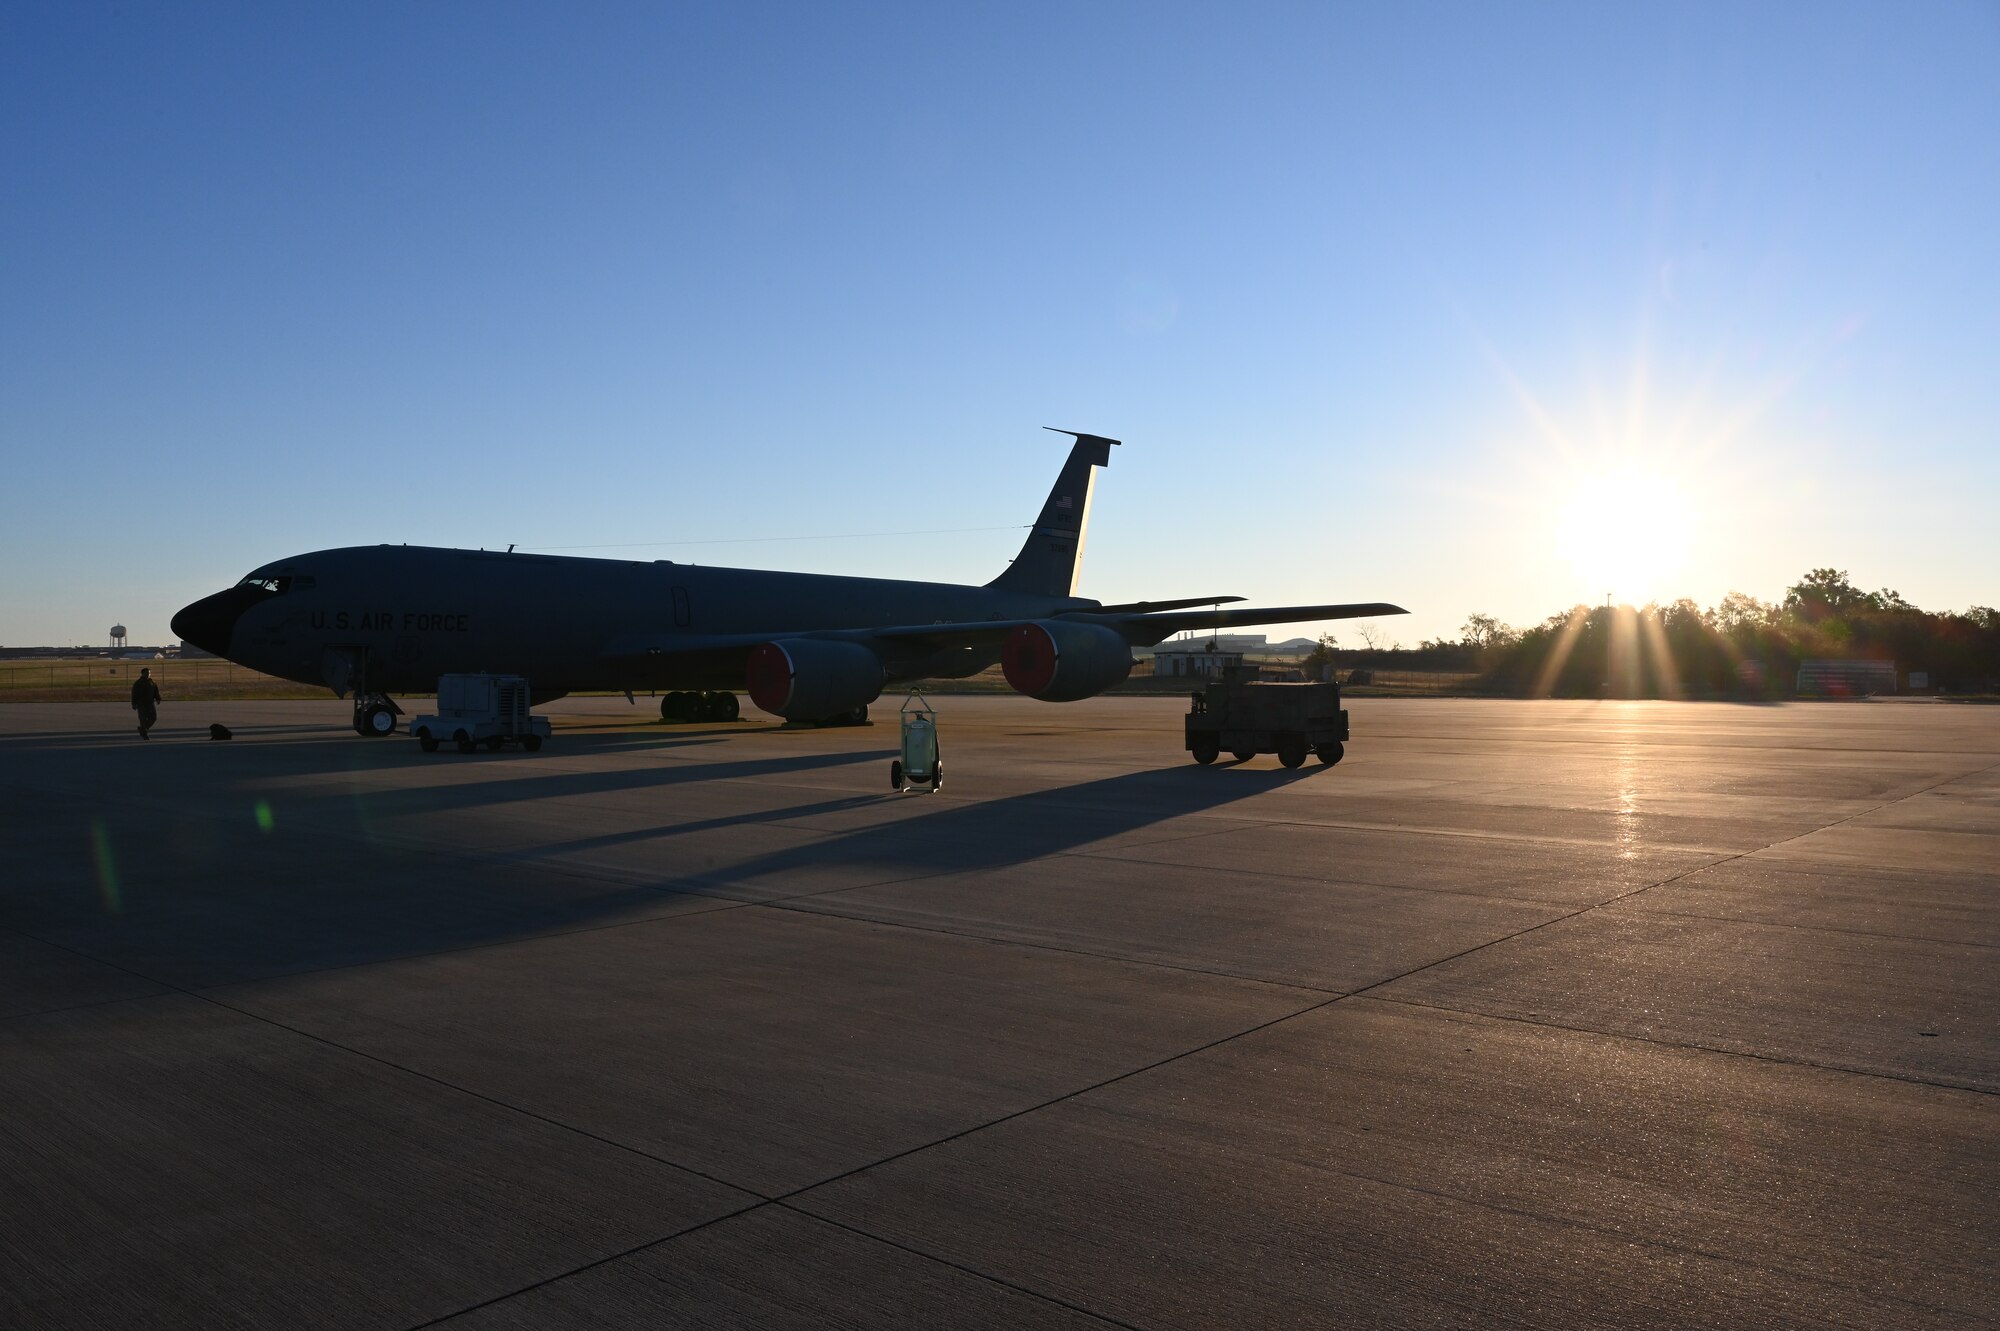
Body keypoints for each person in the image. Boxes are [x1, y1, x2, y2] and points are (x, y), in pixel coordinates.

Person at [131, 666, 161, 739]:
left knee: (153, 718)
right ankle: (144, 734)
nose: (148, 674)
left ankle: (143, 729)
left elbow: (156, 691)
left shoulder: (152, 682)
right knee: (143, 719)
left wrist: (158, 699)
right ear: (142, 674)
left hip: (150, 703)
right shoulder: (138, 683)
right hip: (141, 704)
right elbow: (134, 694)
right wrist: (134, 704)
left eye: (149, 673)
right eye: (146, 673)